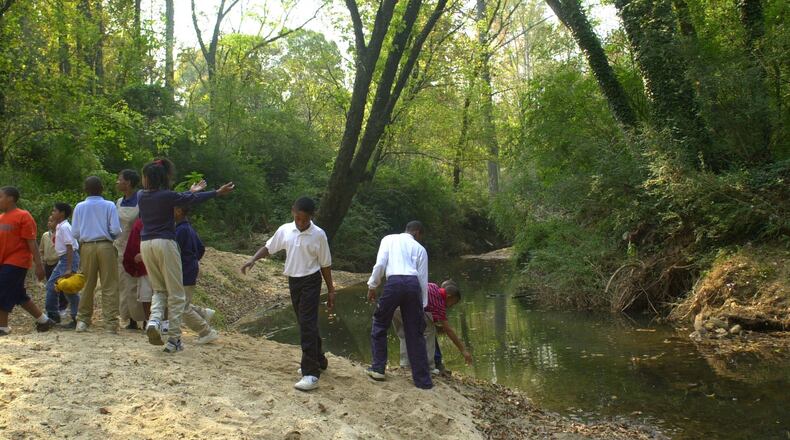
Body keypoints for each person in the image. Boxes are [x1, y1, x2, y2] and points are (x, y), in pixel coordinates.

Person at [138, 158, 234, 353]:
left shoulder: (141, 195)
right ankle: (174, 339)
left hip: (146, 244)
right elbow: (189, 200)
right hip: (165, 243)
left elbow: (182, 197)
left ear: (147, 179)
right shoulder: (168, 196)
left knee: (159, 290)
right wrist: (216, 192)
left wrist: (191, 192)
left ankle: (154, 321)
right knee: (176, 294)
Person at [241, 197, 335, 391]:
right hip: (294, 280)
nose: (301, 223)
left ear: (312, 217)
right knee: (304, 321)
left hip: (311, 280)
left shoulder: (319, 235)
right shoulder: (285, 230)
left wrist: (331, 290)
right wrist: (253, 259)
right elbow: (270, 247)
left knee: (307, 324)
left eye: (305, 219)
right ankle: (319, 359)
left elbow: (325, 264)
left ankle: (311, 373)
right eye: (298, 218)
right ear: (293, 211)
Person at [366, 221, 432, 390]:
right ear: (417, 233)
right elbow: (423, 280)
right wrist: (422, 306)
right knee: (414, 331)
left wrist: (372, 285)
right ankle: (423, 381)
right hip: (412, 284)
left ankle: (378, 368)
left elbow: (380, 264)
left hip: (394, 282)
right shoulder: (420, 249)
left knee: (380, 322)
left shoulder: (388, 239)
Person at [0, 186, 56, 336]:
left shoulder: (23, 216)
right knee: (18, 295)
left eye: (1, 197)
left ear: (10, 198)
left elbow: (32, 242)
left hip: (17, 261)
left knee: (2, 290)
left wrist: (39, 265)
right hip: (3, 261)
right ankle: (44, 321)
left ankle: (3, 327)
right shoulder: (1, 218)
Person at [72, 176, 123, 333]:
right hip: (106, 246)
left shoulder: (79, 207)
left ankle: (82, 321)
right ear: (102, 189)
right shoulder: (109, 205)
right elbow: (115, 229)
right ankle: (110, 324)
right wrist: (110, 237)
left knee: (87, 284)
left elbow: (75, 232)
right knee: (109, 284)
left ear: (85, 189)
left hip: (87, 246)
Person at [392, 280, 472, 374]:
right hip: (408, 307)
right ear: (449, 297)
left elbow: (425, 308)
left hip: (394, 304)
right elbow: (448, 330)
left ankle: (405, 364)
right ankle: (429, 366)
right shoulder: (440, 304)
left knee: (405, 334)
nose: (451, 306)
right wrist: (463, 350)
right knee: (429, 331)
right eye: (453, 303)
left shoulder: (433, 286)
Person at [174, 205, 218, 344]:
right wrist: (193, 261)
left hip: (184, 270)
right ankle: (203, 313)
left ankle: (206, 332)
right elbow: (201, 248)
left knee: (181, 307)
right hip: (190, 268)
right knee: (180, 301)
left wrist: (186, 262)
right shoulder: (188, 228)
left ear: (179, 210)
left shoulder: (180, 230)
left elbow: (174, 252)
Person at [115, 169, 145, 330]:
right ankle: (130, 318)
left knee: (140, 284)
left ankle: (144, 318)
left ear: (128, 183)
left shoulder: (141, 199)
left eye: (119, 179)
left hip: (138, 247)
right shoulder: (119, 202)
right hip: (121, 247)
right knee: (124, 284)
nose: (117, 182)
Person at [44, 203, 81, 327]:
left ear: (62, 213)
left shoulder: (65, 227)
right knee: (66, 288)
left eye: (55, 211)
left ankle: (53, 315)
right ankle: (75, 316)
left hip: (68, 258)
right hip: (64, 259)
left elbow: (70, 246)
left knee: (61, 287)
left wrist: (69, 267)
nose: (52, 213)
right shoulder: (60, 226)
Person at [122, 218, 153, 323]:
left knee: (146, 295)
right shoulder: (167, 219)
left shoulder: (140, 223)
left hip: (145, 265)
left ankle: (150, 322)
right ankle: (160, 322)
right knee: (156, 294)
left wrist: (131, 264)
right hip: (155, 265)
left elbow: (133, 245)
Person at [40, 216, 68, 320]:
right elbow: (41, 249)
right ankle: (53, 309)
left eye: (52, 221)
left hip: (58, 262)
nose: (49, 223)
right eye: (49, 220)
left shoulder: (61, 234)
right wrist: (42, 260)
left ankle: (62, 307)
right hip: (48, 264)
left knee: (60, 286)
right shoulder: (45, 235)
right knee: (51, 287)